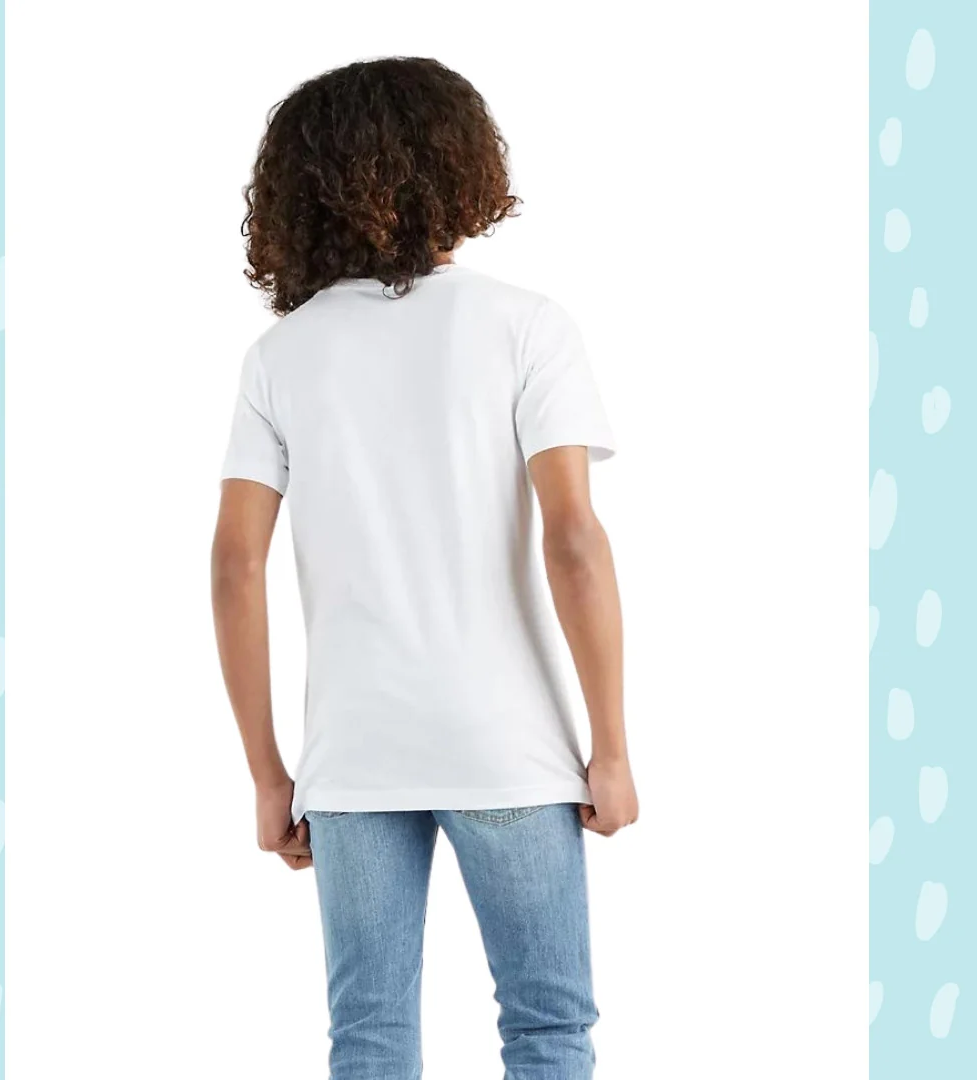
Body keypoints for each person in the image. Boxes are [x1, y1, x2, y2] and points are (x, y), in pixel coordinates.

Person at [211, 56, 638, 1080]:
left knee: (368, 1037)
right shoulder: (526, 326)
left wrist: (268, 772)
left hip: (353, 756)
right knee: (547, 1027)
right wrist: (613, 748)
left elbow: (234, 565)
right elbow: (574, 540)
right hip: (506, 745)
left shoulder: (282, 356)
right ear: (462, 166)